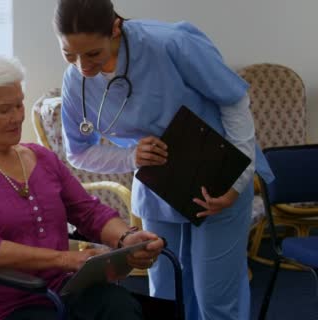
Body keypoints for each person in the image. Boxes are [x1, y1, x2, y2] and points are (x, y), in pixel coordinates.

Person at [52, 1, 275, 319]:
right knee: (166, 293)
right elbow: (79, 151)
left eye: (92, 54)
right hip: (159, 182)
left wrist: (236, 184)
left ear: (115, 28)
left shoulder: (170, 43)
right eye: (69, 54)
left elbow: (235, 101)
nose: (82, 66)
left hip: (216, 174)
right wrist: (131, 156)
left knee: (215, 296)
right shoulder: (76, 81)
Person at [0, 55, 164, 320]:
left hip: (61, 289)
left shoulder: (41, 157)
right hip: (3, 304)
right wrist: (62, 259)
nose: (16, 117)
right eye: (4, 110)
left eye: (19, 105)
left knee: (120, 306)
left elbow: (88, 212)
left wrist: (126, 239)